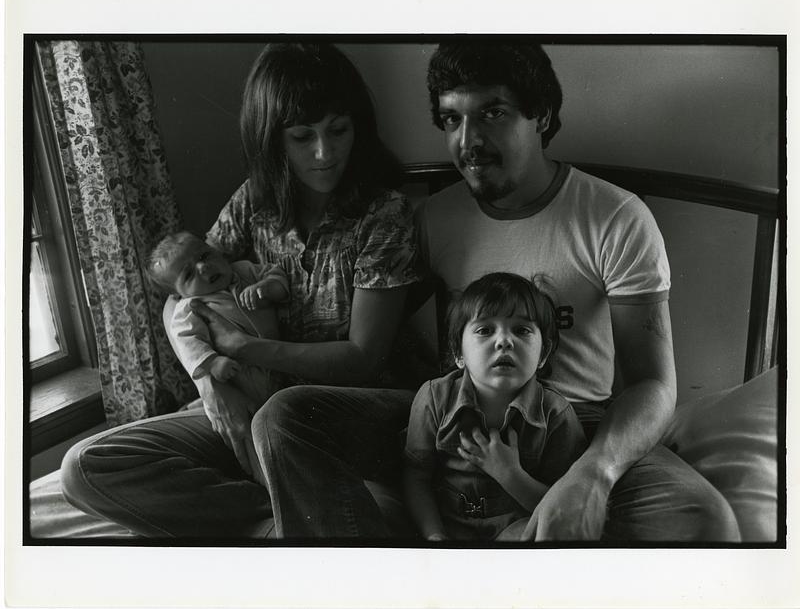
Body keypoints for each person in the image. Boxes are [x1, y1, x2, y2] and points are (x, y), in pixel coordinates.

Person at [60, 43, 420, 538]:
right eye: (302, 137)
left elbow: (363, 356)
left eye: (339, 129)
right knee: (86, 466)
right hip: (254, 407)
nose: (325, 152)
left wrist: (245, 349)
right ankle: (275, 519)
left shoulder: (385, 215)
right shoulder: (256, 201)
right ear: (274, 141)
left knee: (281, 417)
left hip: (352, 410)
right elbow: (179, 293)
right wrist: (210, 383)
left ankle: (303, 513)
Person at [416, 42, 741, 542]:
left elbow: (653, 383)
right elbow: (375, 338)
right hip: (467, 413)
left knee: (704, 521)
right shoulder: (433, 219)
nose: (469, 140)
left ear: (541, 115)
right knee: (288, 419)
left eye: (492, 114)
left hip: (585, 425)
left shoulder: (613, 217)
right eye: (451, 120)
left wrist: (595, 473)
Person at [404, 272, 587, 541]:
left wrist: (510, 475)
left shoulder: (555, 414)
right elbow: (415, 477)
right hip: (446, 526)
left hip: (516, 529)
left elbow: (564, 507)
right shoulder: (434, 398)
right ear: (458, 353)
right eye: (485, 330)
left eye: (521, 330)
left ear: (543, 355)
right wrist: (435, 537)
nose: (504, 341)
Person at [147, 230, 289, 403]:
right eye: (189, 274)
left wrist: (269, 286)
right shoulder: (189, 308)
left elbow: (275, 273)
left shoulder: (245, 270)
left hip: (282, 364)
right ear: (178, 295)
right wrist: (212, 363)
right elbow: (187, 340)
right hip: (241, 378)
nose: (203, 266)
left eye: (204, 255)